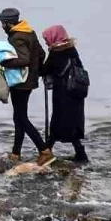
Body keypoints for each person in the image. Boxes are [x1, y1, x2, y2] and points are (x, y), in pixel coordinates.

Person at [0, 8, 53, 165]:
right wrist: (36, 73)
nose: (2, 26)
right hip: (29, 82)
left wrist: (5, 62)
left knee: (21, 118)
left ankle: (44, 150)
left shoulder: (17, 37)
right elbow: (41, 54)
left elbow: (24, 60)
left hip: (20, 82)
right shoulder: (29, 32)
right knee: (19, 117)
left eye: (2, 23)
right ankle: (16, 153)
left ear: (8, 23)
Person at [41, 25, 89, 163]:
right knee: (72, 123)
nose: (46, 42)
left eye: (46, 39)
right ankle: (79, 153)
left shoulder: (56, 52)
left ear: (54, 37)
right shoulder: (71, 49)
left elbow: (44, 70)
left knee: (58, 122)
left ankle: (47, 151)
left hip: (63, 94)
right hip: (76, 93)